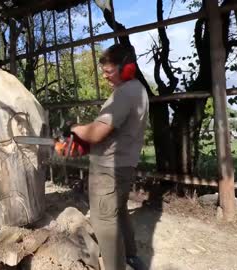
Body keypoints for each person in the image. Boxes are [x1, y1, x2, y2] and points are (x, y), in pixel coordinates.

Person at [71, 44, 149, 270]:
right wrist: (87, 144)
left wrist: (76, 128)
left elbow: (97, 132)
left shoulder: (125, 93)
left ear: (127, 68)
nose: (104, 76)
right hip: (124, 164)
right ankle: (131, 255)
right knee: (119, 211)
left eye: (109, 71)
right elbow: (114, 132)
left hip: (108, 169)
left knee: (103, 220)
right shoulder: (138, 90)